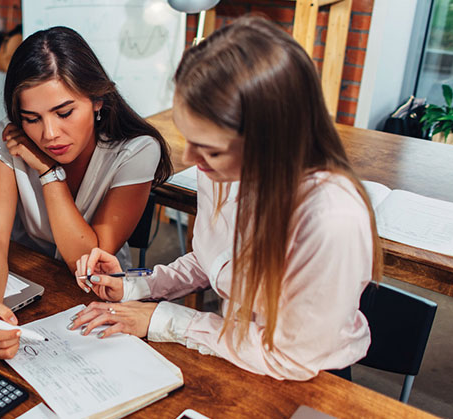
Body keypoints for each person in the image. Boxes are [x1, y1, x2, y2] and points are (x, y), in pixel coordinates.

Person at [69, 16, 383, 381]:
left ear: (270, 143)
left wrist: (165, 318)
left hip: (307, 378)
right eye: (190, 140)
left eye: (211, 150)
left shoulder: (330, 218)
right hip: (232, 352)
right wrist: (140, 284)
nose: (191, 161)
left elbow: (291, 358)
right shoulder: (219, 171)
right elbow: (215, 261)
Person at [0, 26, 173, 359]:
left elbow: (87, 260)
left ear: (97, 100)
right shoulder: (11, 139)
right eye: (32, 118)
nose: (50, 134)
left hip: (94, 294)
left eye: (64, 113)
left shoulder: (136, 151)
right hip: (24, 281)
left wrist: (50, 174)